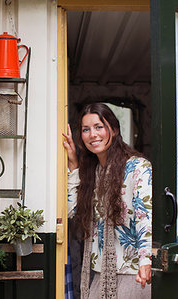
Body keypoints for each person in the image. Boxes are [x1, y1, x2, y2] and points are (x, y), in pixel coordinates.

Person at [63, 103, 152, 299]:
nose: (92, 134)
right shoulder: (94, 171)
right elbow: (73, 212)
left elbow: (144, 216)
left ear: (114, 129)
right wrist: (74, 164)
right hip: (100, 271)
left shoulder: (137, 167)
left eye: (99, 127)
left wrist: (146, 261)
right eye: (86, 129)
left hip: (132, 272)